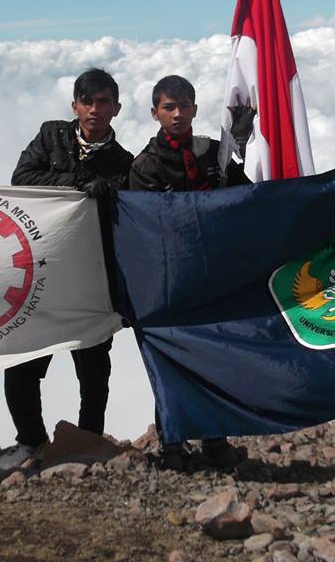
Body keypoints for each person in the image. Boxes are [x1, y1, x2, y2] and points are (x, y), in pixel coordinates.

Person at [3, 68, 133, 467]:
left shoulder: (124, 162)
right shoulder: (51, 136)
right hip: (43, 276)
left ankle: (87, 442)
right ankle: (31, 441)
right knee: (23, 365)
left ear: (116, 108)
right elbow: (21, 178)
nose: (95, 109)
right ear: (74, 106)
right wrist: (80, 182)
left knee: (94, 372)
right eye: (87, 102)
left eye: (103, 102)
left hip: (92, 282)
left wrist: (109, 192)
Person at [129, 74, 250, 471]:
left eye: (184, 106)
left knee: (214, 356)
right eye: (169, 107)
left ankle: (215, 440)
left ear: (196, 109)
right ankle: (173, 445)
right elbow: (145, 228)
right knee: (170, 361)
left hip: (211, 275)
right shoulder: (145, 165)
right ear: (155, 113)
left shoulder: (214, 153)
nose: (178, 114)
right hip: (168, 282)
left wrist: (245, 147)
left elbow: (245, 193)